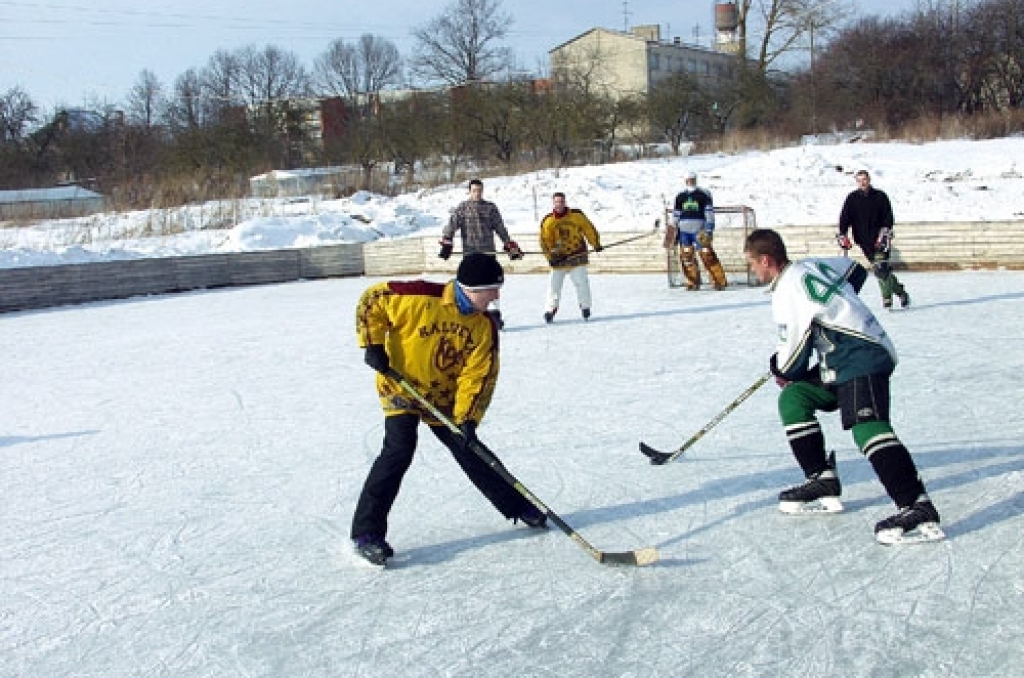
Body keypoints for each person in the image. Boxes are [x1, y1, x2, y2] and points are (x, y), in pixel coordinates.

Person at [742, 228, 942, 545]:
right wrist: (840, 306)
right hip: (841, 359)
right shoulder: (809, 266)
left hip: (860, 354)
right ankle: (821, 479)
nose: (753, 271)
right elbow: (854, 271)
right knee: (795, 398)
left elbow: (792, 359)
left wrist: (780, 366)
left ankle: (916, 505)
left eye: (752, 264)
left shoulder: (786, 291)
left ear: (766, 260)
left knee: (867, 427)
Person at [350, 253, 546, 567]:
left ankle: (517, 506)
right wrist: (372, 343)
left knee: (470, 449)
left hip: (444, 397)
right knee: (399, 450)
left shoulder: (484, 327)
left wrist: (467, 418)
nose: (496, 296)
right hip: (402, 387)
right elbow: (372, 299)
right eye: (492, 289)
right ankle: (366, 533)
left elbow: (478, 376)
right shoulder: (417, 297)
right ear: (471, 288)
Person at [439, 178, 523, 329]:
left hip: (488, 253)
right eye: (474, 191)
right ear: (469, 191)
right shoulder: (462, 208)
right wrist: (447, 241)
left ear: (482, 191)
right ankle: (472, 315)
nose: (477, 193)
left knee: (491, 286)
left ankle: (495, 315)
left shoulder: (490, 208)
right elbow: (452, 225)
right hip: (471, 254)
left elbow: (500, 227)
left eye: (479, 190)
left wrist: (509, 244)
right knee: (471, 287)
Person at [838, 169, 910, 309]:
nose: (862, 182)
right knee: (881, 271)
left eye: (864, 179)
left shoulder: (880, 196)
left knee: (881, 269)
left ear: (869, 179)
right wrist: (843, 234)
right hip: (863, 240)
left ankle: (887, 300)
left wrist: (885, 232)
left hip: (880, 239)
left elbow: (888, 217)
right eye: (859, 180)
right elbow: (845, 218)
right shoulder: (852, 198)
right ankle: (901, 292)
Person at [538, 192, 603, 323]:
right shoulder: (548, 221)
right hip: (559, 259)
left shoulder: (577, 216)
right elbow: (545, 241)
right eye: (556, 202)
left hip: (576, 256)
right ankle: (550, 310)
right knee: (553, 286)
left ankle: (585, 307)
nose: (559, 204)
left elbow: (588, 229)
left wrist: (595, 243)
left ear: (565, 202)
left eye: (561, 201)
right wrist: (550, 257)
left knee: (582, 283)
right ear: (553, 203)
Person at [670, 170, 727, 291]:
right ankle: (692, 282)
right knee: (687, 258)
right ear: (685, 181)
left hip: (700, 231)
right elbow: (675, 215)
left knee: (708, 255)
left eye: (692, 179)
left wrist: (709, 228)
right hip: (684, 232)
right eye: (688, 180)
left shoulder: (703, 194)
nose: (690, 181)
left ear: (695, 180)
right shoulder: (680, 196)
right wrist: (671, 232)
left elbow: (709, 213)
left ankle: (719, 281)